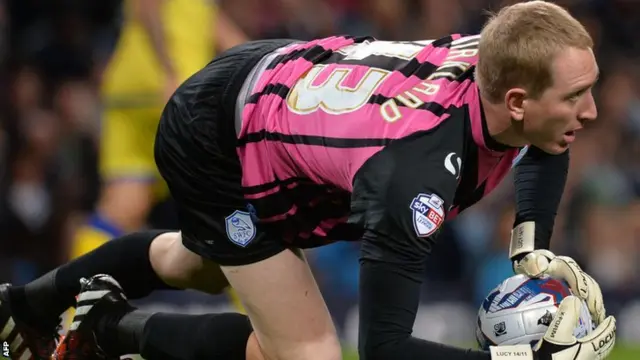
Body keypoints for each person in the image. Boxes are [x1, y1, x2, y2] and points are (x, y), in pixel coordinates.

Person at [0, 2, 616, 360]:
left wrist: (529, 241)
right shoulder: (415, 177)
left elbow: (544, 133)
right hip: (217, 135)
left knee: (201, 267)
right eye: (578, 97)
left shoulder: (504, 56)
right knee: (307, 354)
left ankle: (24, 307)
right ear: (513, 99)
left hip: (278, 97)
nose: (591, 113)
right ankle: (102, 332)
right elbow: (381, 347)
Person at [70, 0, 248, 312]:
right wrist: (169, 69)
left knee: (122, 209)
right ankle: (262, 319)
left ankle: (70, 314)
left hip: (132, 90)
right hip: (173, 89)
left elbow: (222, 33)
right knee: (228, 201)